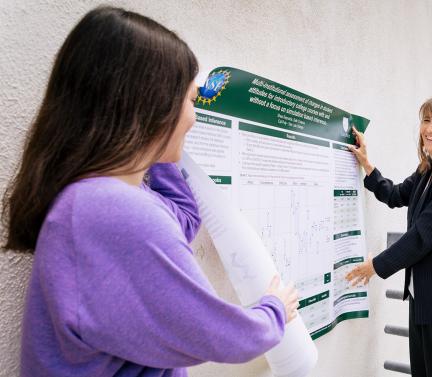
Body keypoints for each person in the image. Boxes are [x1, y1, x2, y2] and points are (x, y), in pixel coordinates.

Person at [1, 7, 298, 377]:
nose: (194, 117)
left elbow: (183, 217)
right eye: (190, 100)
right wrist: (274, 311)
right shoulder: (112, 210)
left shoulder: (99, 199)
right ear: (152, 103)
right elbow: (220, 335)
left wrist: (151, 146)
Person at [346, 94, 432, 377]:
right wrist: (366, 163)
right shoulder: (428, 170)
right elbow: (395, 194)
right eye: (426, 120)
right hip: (424, 293)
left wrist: (375, 266)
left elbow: (422, 236)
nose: (429, 129)